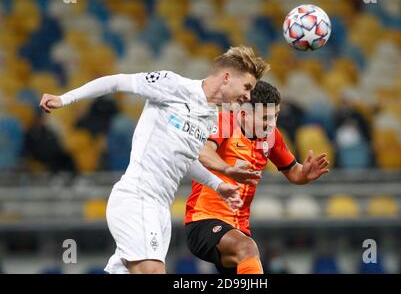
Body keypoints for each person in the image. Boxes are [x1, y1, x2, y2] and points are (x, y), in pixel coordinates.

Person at [39, 46, 269, 274]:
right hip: (138, 196)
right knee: (153, 271)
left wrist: (218, 184)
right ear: (227, 77)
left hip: (160, 208)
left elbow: (185, 159)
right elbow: (117, 81)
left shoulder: (210, 117)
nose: (248, 96)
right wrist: (64, 99)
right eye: (247, 87)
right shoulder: (173, 85)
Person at [185, 81, 330, 274]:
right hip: (204, 220)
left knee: (247, 255)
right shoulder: (226, 122)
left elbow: (294, 172)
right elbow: (203, 152)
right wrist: (228, 170)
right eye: (265, 118)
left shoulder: (271, 136)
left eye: (275, 116)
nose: (272, 124)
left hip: (238, 228)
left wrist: (305, 173)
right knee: (247, 248)